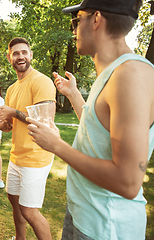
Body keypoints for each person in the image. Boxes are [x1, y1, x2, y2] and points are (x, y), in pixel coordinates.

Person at [27, 0, 154, 239]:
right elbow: (100, 129)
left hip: (105, 226)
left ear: (96, 20)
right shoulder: (113, 72)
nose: (73, 30)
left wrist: (56, 145)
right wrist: (74, 94)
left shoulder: (130, 75)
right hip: (83, 214)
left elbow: (128, 182)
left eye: (77, 20)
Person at [0, 37, 56, 240]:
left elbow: (45, 123)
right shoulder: (13, 88)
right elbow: (11, 125)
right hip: (17, 156)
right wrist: (2, 124)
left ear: (31, 55)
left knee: (30, 211)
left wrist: (13, 112)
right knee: (14, 200)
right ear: (9, 58)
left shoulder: (41, 81)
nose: (20, 56)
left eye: (24, 52)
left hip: (36, 157)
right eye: (15, 53)